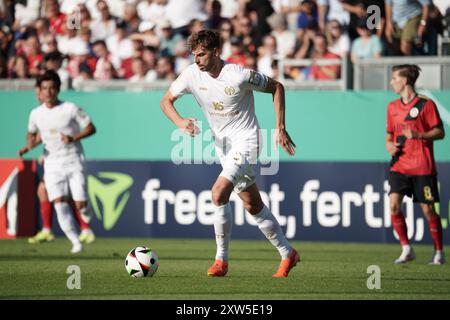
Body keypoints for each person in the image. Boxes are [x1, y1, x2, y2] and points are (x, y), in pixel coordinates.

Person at [160, 30, 299, 277]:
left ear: (215, 51)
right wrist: (180, 122)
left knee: (218, 192)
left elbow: (277, 87)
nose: (197, 60)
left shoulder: (238, 75)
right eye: (194, 55)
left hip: (247, 141)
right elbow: (166, 101)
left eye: (201, 54)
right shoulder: (192, 75)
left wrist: (280, 127)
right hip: (223, 147)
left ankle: (221, 261)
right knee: (252, 204)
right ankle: (288, 253)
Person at [22, 70, 96, 254]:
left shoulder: (70, 108)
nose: (49, 92)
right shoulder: (36, 114)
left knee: (79, 204)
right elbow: (33, 134)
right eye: (45, 88)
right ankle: (74, 241)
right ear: (39, 90)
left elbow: (91, 128)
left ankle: (85, 209)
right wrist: (28, 146)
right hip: (52, 163)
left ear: (58, 89)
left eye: (52, 88)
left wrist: (73, 137)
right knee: (59, 202)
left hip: (73, 159)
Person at [386, 64, 445, 265]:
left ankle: (438, 252)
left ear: (404, 81)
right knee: (393, 205)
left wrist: (419, 135)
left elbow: (440, 132)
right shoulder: (392, 107)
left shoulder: (425, 105)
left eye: (394, 78)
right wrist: (389, 145)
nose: (392, 82)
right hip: (399, 165)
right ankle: (406, 248)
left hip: (422, 167)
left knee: (428, 210)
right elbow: (389, 135)